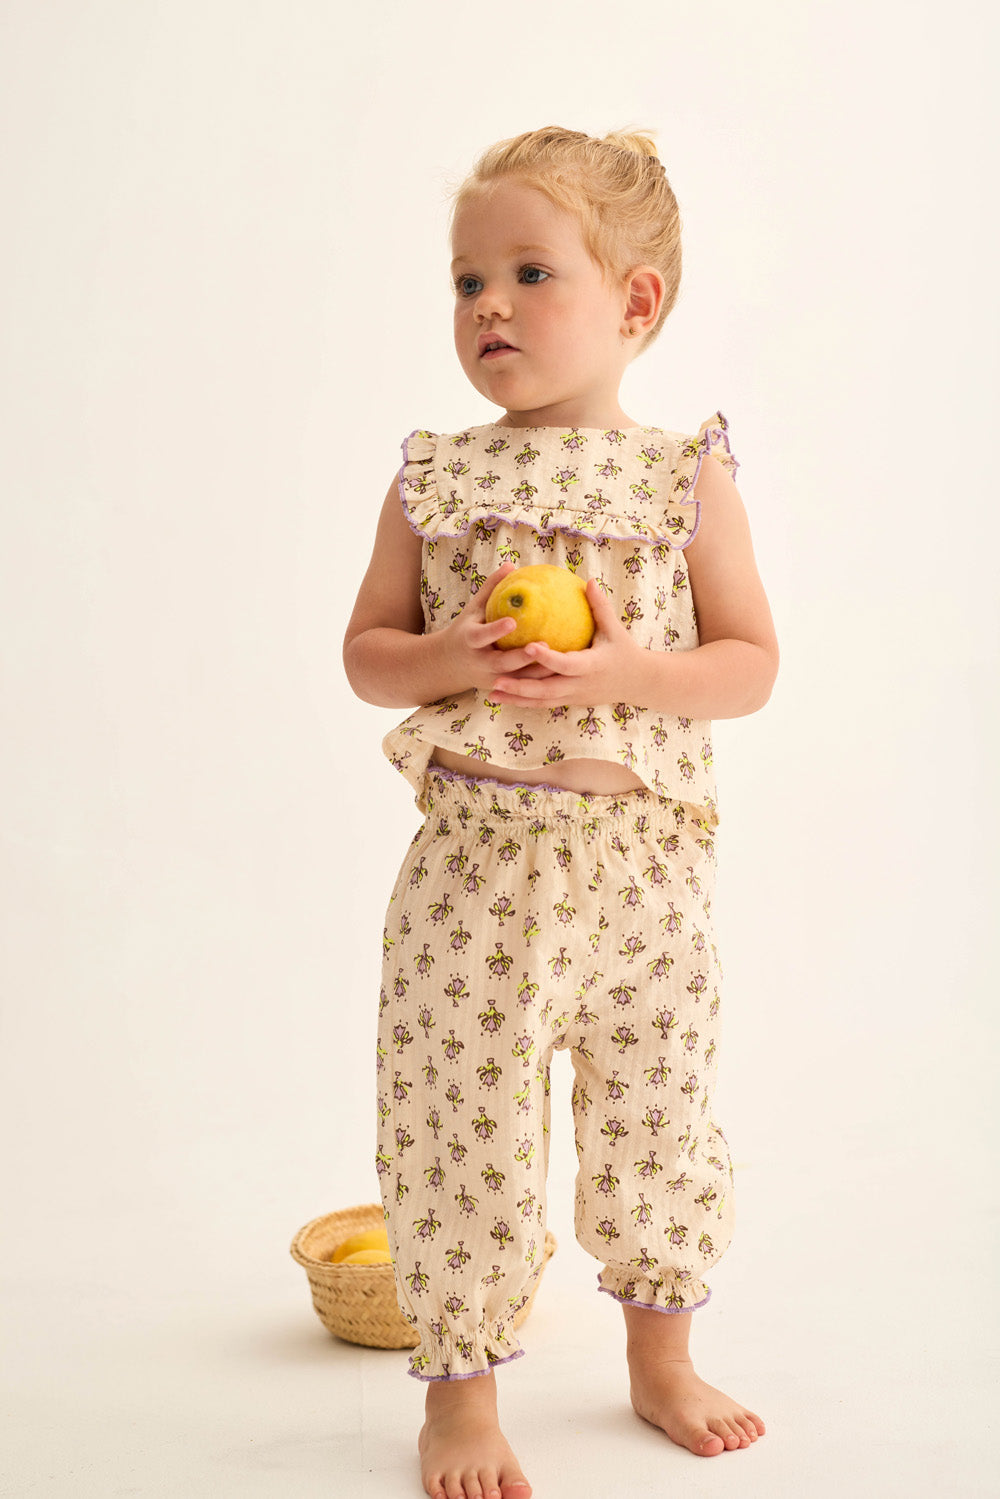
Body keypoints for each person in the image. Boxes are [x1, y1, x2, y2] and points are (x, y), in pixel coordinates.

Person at [343, 126, 777, 1499]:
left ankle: (661, 1358)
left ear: (634, 302)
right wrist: (453, 655)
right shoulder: (435, 479)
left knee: (659, 1112)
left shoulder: (683, 478)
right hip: (477, 865)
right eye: (466, 282)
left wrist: (625, 674)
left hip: (641, 867)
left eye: (531, 274)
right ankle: (459, 1393)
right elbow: (366, 655)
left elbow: (748, 664)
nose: (489, 310)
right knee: (459, 1115)